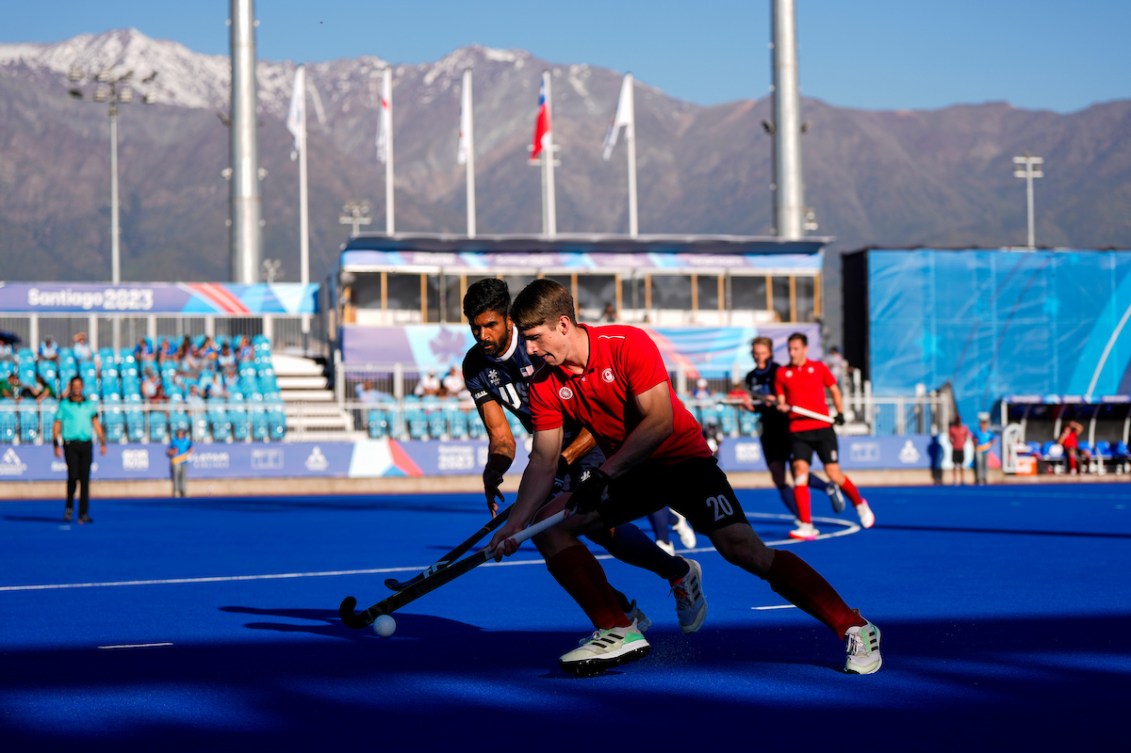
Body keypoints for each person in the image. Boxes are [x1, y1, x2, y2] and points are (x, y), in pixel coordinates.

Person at [490, 280, 881, 676]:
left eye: (535, 338)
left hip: (683, 463)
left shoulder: (627, 344)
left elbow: (659, 421)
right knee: (546, 527)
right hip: (632, 474)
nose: (531, 349)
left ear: (562, 324)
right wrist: (516, 524)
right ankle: (617, 627)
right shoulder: (543, 381)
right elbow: (542, 460)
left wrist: (604, 474)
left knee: (743, 549)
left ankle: (855, 627)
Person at [461, 279, 705, 642]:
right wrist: (493, 469)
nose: (482, 334)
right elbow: (501, 436)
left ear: (508, 319)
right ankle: (620, 612)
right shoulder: (475, 366)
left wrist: (566, 458)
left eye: (490, 324)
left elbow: (597, 408)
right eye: (474, 326)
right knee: (547, 533)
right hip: (549, 446)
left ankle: (671, 574)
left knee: (587, 524)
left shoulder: (539, 342)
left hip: (591, 439)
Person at [773, 332, 875, 540]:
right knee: (800, 473)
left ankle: (859, 504)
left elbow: (835, 390)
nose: (792, 353)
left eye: (796, 349)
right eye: (790, 349)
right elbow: (781, 400)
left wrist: (839, 412)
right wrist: (781, 406)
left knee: (833, 474)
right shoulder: (782, 373)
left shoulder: (818, 368)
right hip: (797, 430)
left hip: (822, 427)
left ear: (805, 349)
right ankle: (806, 524)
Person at [741, 336, 845, 524]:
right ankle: (801, 515)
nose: (759, 357)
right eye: (756, 353)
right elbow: (759, 405)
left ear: (770, 353)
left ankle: (820, 497)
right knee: (778, 476)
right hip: (768, 431)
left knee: (798, 470)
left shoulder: (780, 371)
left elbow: (791, 398)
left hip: (787, 428)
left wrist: (777, 401)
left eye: (763, 353)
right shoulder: (751, 377)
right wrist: (752, 407)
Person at [52, 376, 107, 524]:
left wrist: (102, 442)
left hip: (86, 444)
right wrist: (55, 444)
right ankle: (69, 507)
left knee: (85, 479)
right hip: (70, 444)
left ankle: (83, 513)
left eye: (79, 385)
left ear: (82, 387)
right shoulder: (64, 405)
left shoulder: (89, 405)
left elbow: (96, 423)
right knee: (73, 476)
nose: (76, 388)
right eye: (74, 385)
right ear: (71, 387)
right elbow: (57, 424)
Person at [167, 426, 193, 498]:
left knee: (183, 477)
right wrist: (173, 451)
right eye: (179, 433)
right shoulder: (174, 441)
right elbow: (169, 451)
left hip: (184, 461)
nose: (180, 435)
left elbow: (191, 449)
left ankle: (183, 491)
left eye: (181, 433)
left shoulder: (186, 441)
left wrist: (189, 452)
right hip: (176, 461)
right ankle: (176, 491)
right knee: (176, 477)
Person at [948, 416, 971, 485]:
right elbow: (949, 437)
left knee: (961, 465)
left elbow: (966, 436)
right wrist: (953, 443)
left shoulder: (964, 428)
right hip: (955, 449)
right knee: (955, 465)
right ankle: (954, 480)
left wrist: (963, 442)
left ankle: (962, 479)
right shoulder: (952, 429)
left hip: (961, 449)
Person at [973, 414, 994, 485]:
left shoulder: (989, 432)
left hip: (986, 450)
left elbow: (993, 439)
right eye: (982, 423)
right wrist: (975, 442)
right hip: (979, 449)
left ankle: (985, 477)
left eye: (984, 423)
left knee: (985, 464)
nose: (983, 425)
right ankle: (979, 478)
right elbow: (974, 439)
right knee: (979, 464)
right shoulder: (977, 431)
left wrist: (989, 445)